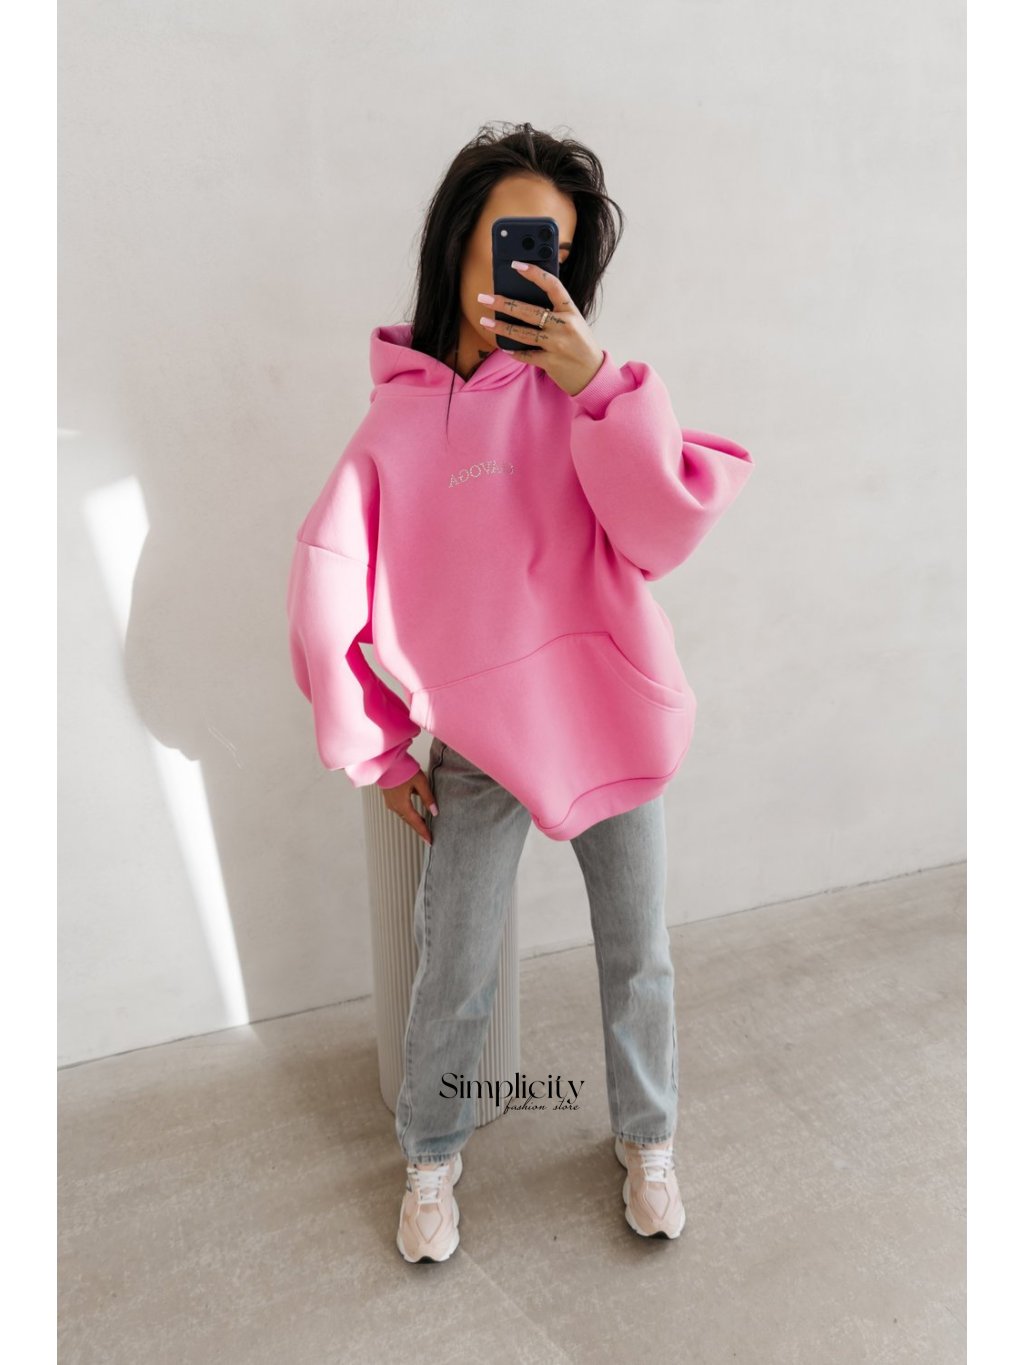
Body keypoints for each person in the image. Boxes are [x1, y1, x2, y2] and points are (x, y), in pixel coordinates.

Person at [285, 122, 755, 1263]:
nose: (531, 271)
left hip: (607, 712)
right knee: (451, 965)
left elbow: (661, 529)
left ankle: (648, 1139)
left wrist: (598, 383)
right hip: (480, 741)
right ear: (459, 243)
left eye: (555, 251)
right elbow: (326, 585)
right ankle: (430, 1156)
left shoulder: (581, 395)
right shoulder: (395, 426)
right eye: (514, 241)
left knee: (637, 952)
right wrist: (380, 752)